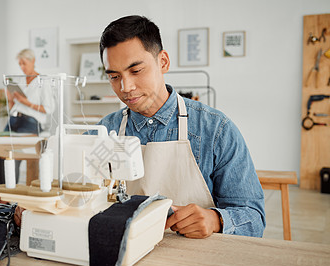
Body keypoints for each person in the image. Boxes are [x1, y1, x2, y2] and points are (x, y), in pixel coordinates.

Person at [95, 15, 265, 238]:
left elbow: (254, 218)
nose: (125, 87)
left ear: (163, 61)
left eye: (136, 71)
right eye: (115, 76)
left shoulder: (216, 130)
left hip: (196, 261)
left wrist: (215, 220)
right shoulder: (104, 131)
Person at [0, 48, 54, 185]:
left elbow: (49, 108)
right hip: (13, 119)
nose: (22, 67)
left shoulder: (43, 81)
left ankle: (12, 194)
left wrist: (25, 102)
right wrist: (10, 99)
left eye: (24, 63)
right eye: (19, 64)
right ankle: (3, 198)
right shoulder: (19, 81)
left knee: (13, 153)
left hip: (30, 121)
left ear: (33, 61)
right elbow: (12, 107)